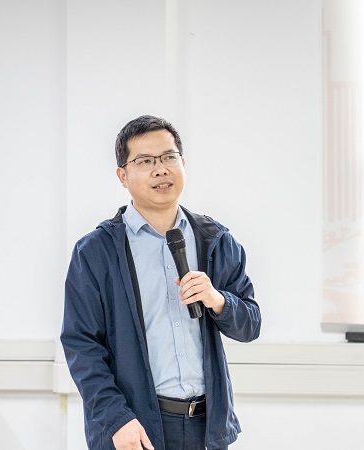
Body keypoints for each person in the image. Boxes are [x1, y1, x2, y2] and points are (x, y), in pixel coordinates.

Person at [61, 115, 262, 450]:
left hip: (205, 427)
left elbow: (250, 325)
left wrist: (217, 300)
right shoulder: (96, 251)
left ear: (183, 164)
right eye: (145, 161)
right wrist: (116, 418)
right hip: (135, 427)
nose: (160, 169)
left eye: (169, 157)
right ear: (123, 176)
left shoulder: (214, 240)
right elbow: (81, 345)